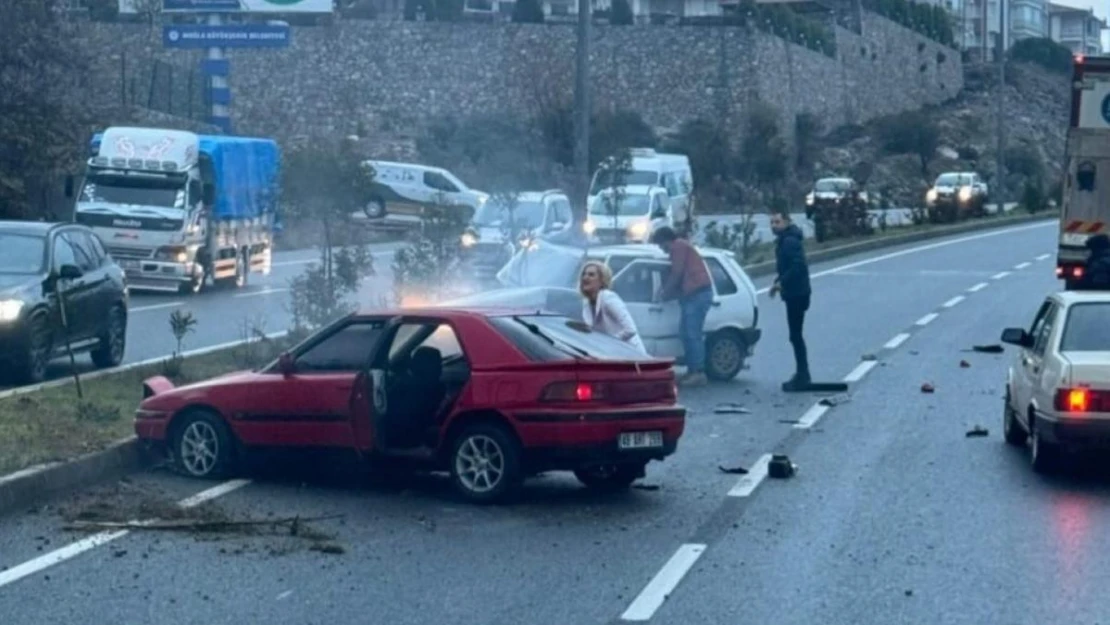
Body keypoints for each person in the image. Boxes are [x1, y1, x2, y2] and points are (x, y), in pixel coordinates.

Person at [651, 226, 713, 386]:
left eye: (661, 244)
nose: (661, 249)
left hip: (698, 294)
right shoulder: (680, 247)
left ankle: (698, 372)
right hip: (692, 295)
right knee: (686, 333)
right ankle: (693, 369)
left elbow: (676, 273)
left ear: (666, 240)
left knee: (692, 334)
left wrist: (664, 294)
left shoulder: (679, 246)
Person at [769, 210, 812, 390]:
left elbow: (798, 266)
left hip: (797, 293)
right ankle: (802, 373)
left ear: (786, 222)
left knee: (795, 336)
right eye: (771, 222)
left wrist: (782, 283)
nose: (773, 226)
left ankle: (803, 375)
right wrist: (779, 281)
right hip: (795, 292)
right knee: (795, 336)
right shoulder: (787, 239)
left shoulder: (789, 241)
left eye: (777, 222)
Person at [579, 261, 648, 354]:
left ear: (601, 281)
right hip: (611, 354)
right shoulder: (587, 303)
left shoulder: (608, 297)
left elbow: (630, 329)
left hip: (632, 353)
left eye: (591, 275)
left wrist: (610, 342)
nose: (585, 278)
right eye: (584, 274)